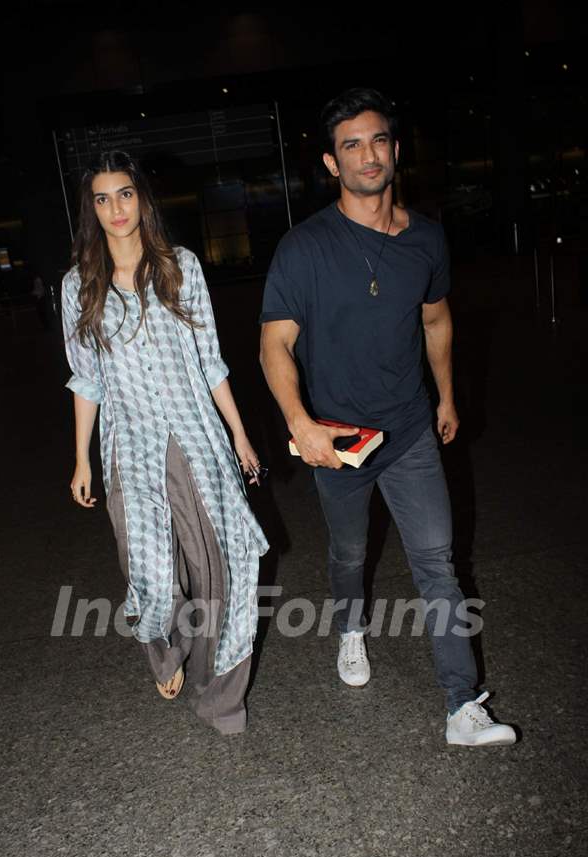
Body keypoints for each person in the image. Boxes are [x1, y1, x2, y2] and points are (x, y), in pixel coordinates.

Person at [259, 88, 515, 746]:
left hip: (409, 432)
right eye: (351, 145)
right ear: (330, 163)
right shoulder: (304, 247)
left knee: (438, 563)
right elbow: (275, 344)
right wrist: (301, 422)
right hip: (339, 441)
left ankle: (463, 707)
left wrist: (447, 396)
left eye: (377, 141)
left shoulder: (427, 238)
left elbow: (436, 318)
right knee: (349, 554)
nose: (367, 155)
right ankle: (350, 629)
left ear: (396, 151)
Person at [62, 150, 268, 735]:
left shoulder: (180, 268)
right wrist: (81, 458)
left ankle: (221, 695)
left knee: (218, 568)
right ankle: (164, 647)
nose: (115, 208)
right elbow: (86, 378)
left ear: (142, 199)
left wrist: (240, 433)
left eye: (124, 194)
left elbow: (210, 361)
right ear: (91, 210)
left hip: (197, 438)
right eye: (102, 198)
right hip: (130, 443)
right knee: (147, 565)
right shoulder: (77, 286)